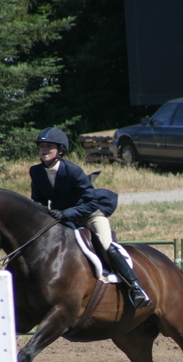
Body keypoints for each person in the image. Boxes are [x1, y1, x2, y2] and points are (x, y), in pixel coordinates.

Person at [29, 127, 153, 309]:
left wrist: (66, 214)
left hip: (89, 215)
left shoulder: (73, 171)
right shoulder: (36, 171)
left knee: (105, 244)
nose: (44, 150)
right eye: (41, 146)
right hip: (63, 219)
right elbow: (39, 201)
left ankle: (136, 288)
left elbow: (91, 203)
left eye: (49, 146)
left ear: (61, 150)